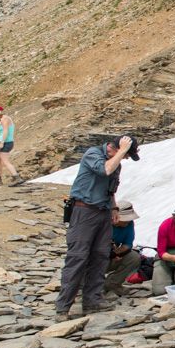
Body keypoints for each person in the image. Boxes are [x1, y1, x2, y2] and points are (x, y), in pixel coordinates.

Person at [57, 135, 139, 319]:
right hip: (84, 210)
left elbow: (110, 189)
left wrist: (114, 207)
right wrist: (123, 151)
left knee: (100, 256)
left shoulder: (116, 162)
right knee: (78, 257)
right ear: (116, 148)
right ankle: (63, 306)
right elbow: (105, 170)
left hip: (103, 212)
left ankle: (92, 301)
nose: (125, 158)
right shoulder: (93, 154)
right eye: (125, 154)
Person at [106, 200, 143, 296]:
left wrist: (116, 253)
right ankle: (90, 284)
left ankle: (113, 283)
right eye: (125, 219)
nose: (128, 222)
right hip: (98, 256)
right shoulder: (104, 223)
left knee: (134, 257)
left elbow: (127, 245)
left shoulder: (129, 224)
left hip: (112, 254)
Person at [0, 104, 23, 186]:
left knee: (5, 161)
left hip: (6, 143)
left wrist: (2, 142)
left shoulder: (5, 119)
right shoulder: (1, 119)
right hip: (3, 142)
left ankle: (17, 178)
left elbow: (5, 131)